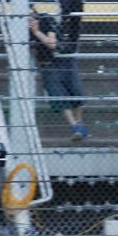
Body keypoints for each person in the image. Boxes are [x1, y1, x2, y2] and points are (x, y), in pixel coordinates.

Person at [29, 10, 89, 141]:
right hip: (47, 64)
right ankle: (75, 128)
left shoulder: (45, 19)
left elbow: (52, 44)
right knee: (59, 97)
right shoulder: (20, 28)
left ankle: (79, 123)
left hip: (63, 59)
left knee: (77, 93)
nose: (30, 20)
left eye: (31, 17)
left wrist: (37, 32)